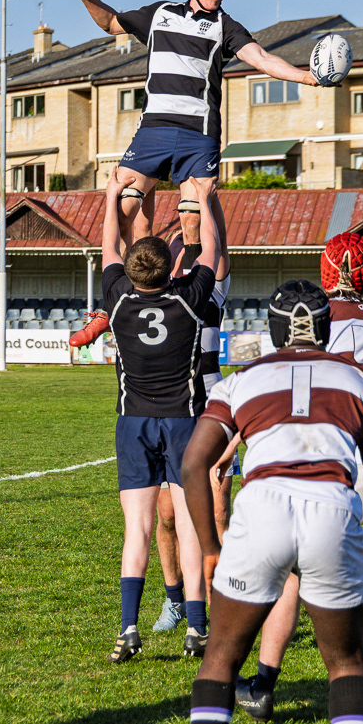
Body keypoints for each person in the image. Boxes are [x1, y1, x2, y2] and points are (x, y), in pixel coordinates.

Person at [180, 280, 363, 724]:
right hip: (333, 509)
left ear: (272, 329)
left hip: (262, 507)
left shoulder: (241, 379)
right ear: (326, 327)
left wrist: (212, 548)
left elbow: (194, 465)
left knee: (222, 655)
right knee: (344, 661)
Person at [236, 233, 363, 724]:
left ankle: (263, 685)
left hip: (343, 451)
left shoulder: (319, 317)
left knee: (296, 570)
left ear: (324, 271)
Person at [65, 0, 321, 347]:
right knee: (124, 206)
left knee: (191, 219)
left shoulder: (226, 27)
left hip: (198, 134)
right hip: (153, 130)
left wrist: (306, 77)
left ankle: (186, 296)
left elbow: (263, 59)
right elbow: (110, 22)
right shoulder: (160, 14)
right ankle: (114, 304)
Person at [101, 166, 220, 664]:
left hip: (134, 423)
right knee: (190, 528)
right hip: (183, 422)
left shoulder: (117, 299)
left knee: (138, 531)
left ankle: (128, 628)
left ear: (129, 270)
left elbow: (108, 248)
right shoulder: (189, 300)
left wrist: (112, 196)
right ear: (172, 264)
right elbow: (211, 253)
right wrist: (207, 201)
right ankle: (196, 628)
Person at [152, 212, 240, 635]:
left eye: (194, 224)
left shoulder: (212, 292)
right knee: (167, 515)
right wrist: (179, 238)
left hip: (213, 409)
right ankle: (175, 600)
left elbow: (216, 246)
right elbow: (156, 257)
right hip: (174, 407)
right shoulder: (164, 293)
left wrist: (207, 202)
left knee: (218, 513)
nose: (190, 228)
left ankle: (220, 603)